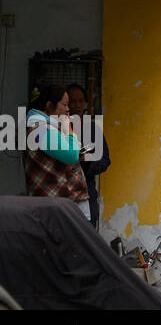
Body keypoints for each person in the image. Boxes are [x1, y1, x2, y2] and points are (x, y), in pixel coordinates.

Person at [24, 83, 91, 220]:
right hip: (55, 206)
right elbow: (71, 156)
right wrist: (70, 131)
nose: (68, 109)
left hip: (61, 204)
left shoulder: (49, 127)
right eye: (65, 105)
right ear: (49, 106)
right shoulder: (40, 128)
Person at [67, 84, 110, 230]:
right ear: (66, 103)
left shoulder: (92, 128)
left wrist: (87, 159)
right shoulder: (56, 129)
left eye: (80, 101)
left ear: (85, 103)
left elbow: (105, 160)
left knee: (87, 243)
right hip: (62, 195)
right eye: (73, 101)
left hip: (87, 194)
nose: (77, 105)